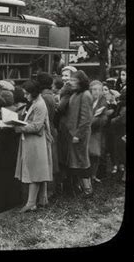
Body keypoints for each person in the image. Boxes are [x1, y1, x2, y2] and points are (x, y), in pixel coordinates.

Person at [13, 80, 53, 212]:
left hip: (36, 142)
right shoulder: (36, 102)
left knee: (34, 173)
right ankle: (40, 200)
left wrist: (20, 128)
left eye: (26, 93)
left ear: (33, 93)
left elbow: (37, 126)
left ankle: (31, 203)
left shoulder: (40, 105)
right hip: (33, 142)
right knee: (35, 171)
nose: (25, 96)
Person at [64, 70, 94, 197]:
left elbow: (86, 119)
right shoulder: (75, 93)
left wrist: (78, 135)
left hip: (79, 134)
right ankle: (81, 187)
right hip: (73, 132)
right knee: (76, 160)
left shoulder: (85, 95)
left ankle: (88, 189)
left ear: (81, 82)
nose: (70, 82)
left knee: (82, 160)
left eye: (73, 80)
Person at [36, 72, 59, 197]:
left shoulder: (44, 98)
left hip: (47, 130)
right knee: (51, 160)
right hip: (52, 128)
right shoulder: (50, 95)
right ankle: (51, 189)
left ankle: (49, 191)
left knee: (48, 160)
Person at [55, 65, 77, 194]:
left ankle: (67, 186)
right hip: (71, 124)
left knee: (65, 155)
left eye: (67, 75)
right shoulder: (76, 89)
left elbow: (61, 108)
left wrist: (57, 106)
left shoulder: (67, 89)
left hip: (65, 125)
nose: (64, 78)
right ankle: (73, 185)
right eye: (63, 75)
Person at [88, 80, 108, 183]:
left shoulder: (102, 101)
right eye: (95, 89)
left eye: (99, 90)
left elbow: (104, 118)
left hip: (96, 131)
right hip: (86, 132)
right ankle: (86, 177)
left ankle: (93, 175)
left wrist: (93, 120)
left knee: (95, 154)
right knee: (86, 154)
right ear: (90, 90)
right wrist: (94, 117)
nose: (97, 92)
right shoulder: (87, 100)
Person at [110, 88, 126, 181]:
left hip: (122, 131)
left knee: (123, 152)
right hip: (120, 131)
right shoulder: (122, 105)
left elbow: (121, 119)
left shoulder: (123, 106)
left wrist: (112, 121)